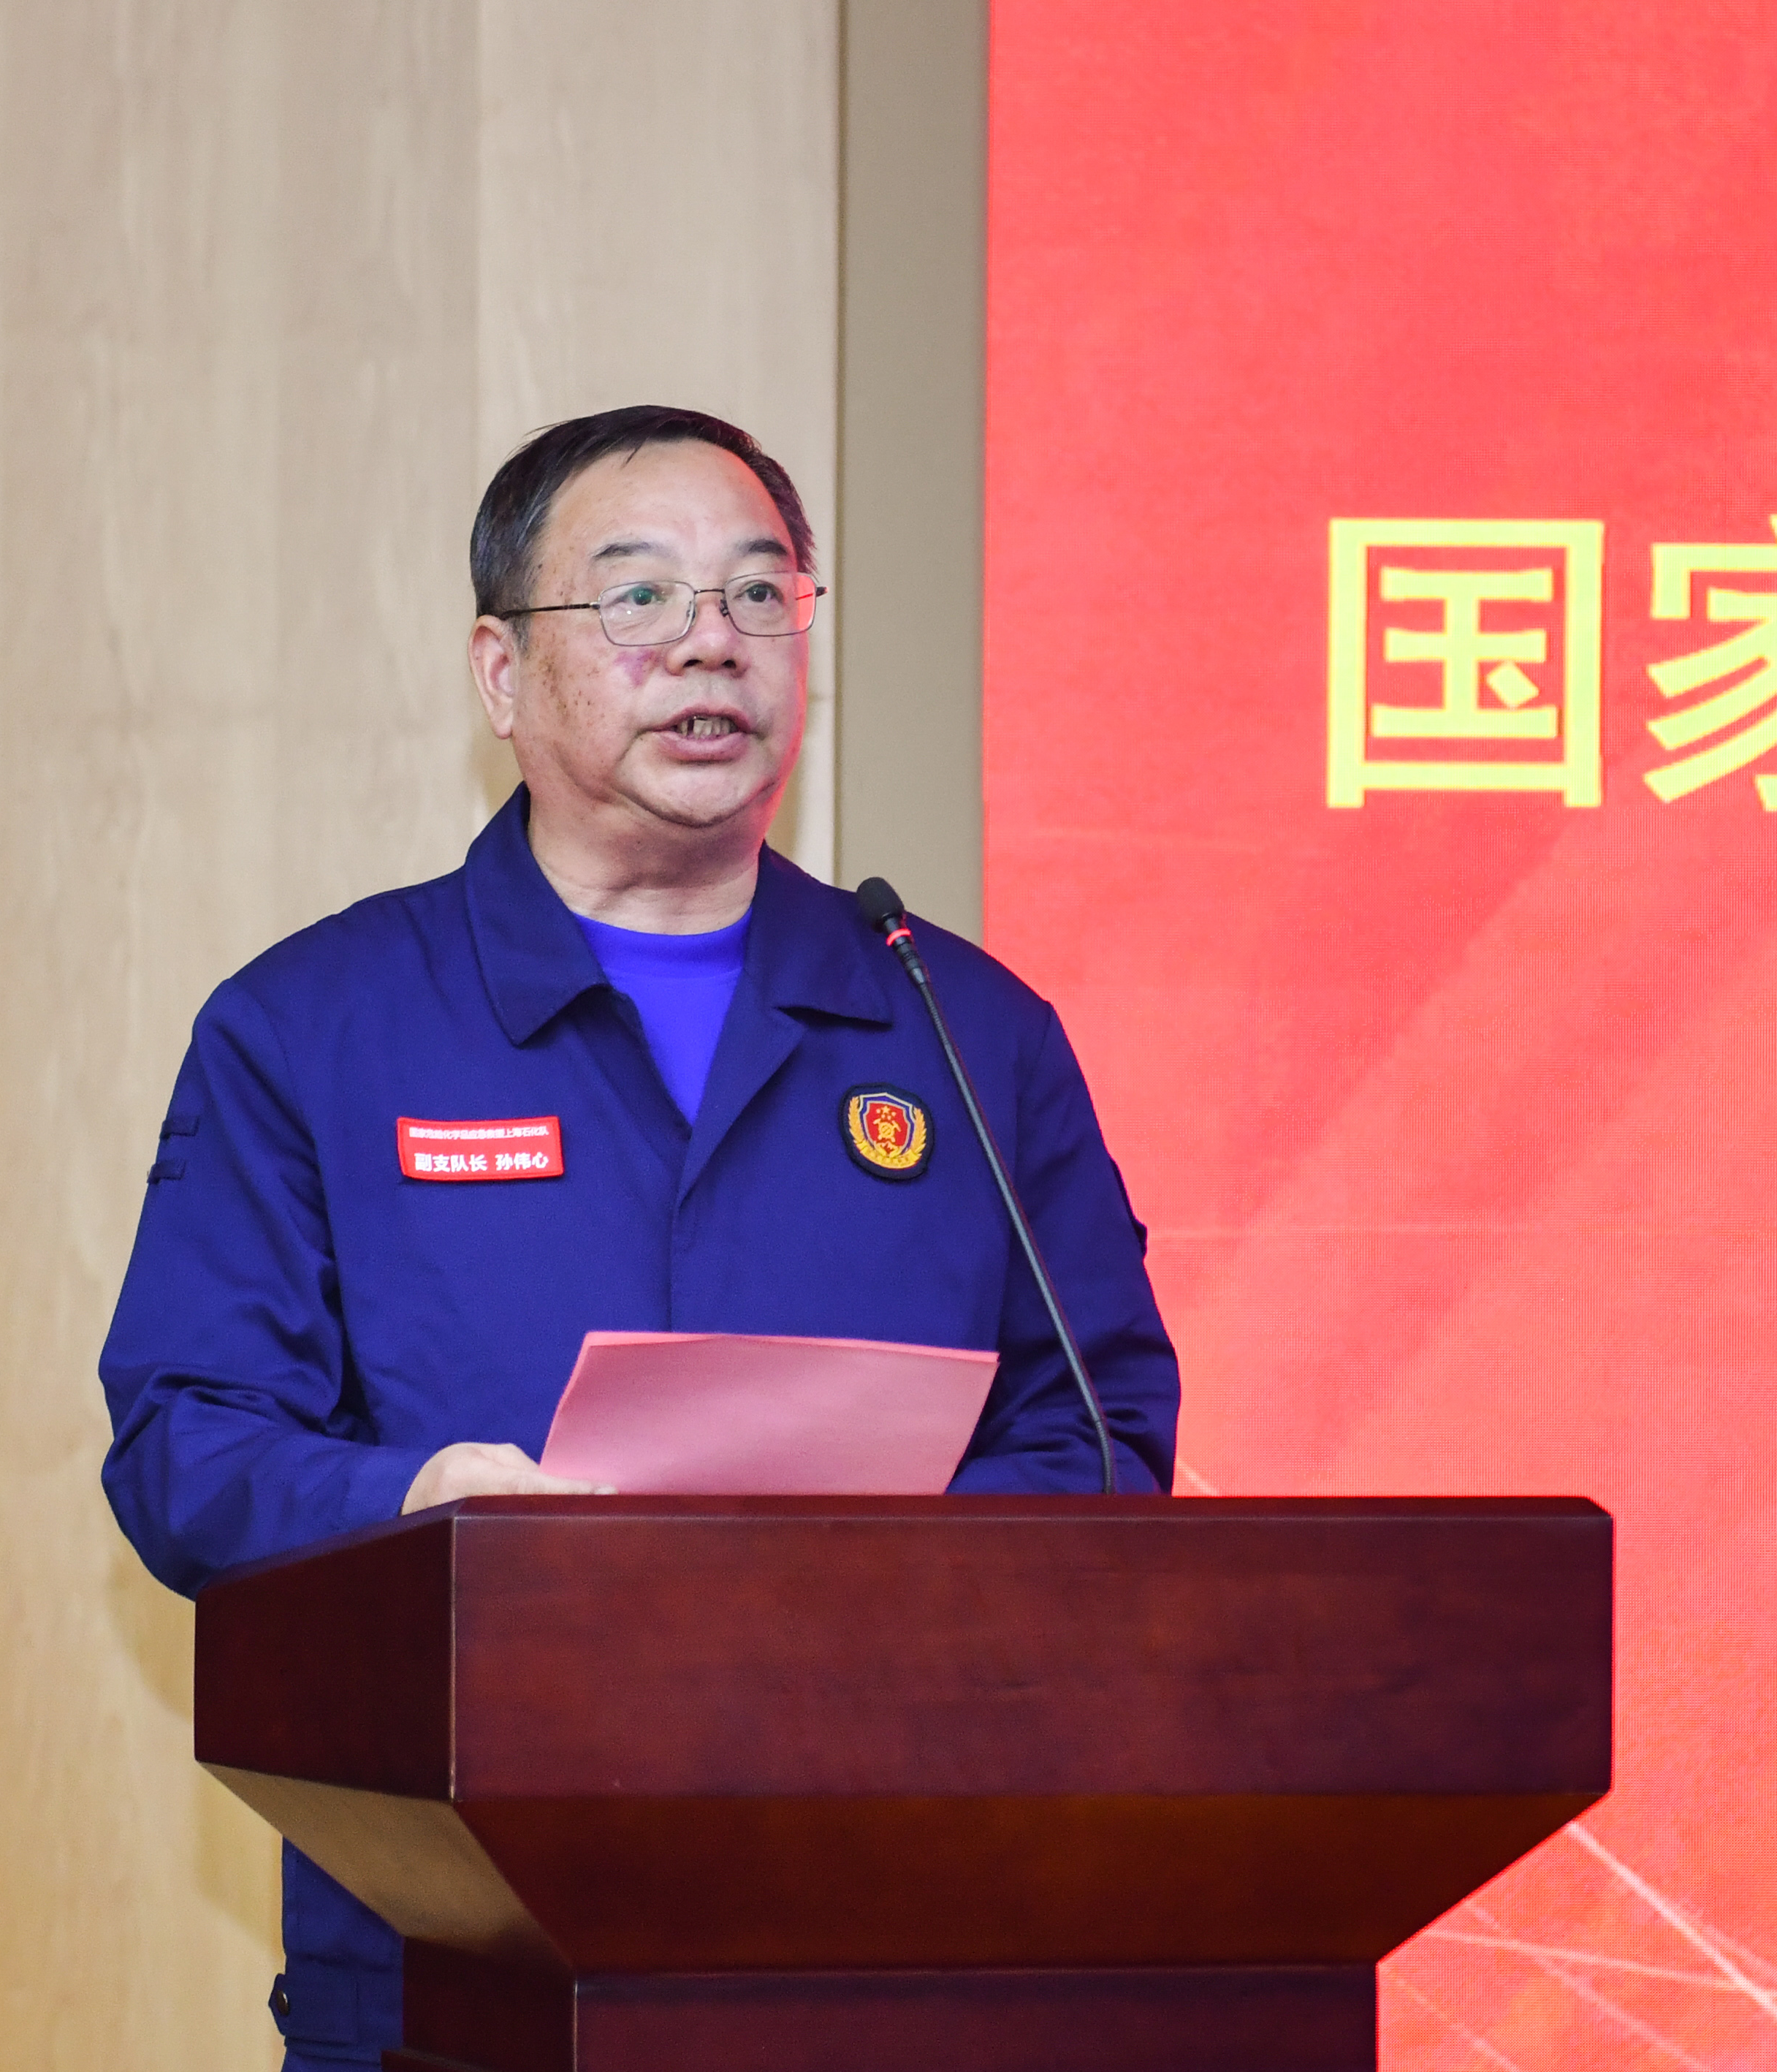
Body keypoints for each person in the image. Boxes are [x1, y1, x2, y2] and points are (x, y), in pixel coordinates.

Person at [98, 404, 1179, 2070]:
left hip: (888, 1934)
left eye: (759, 594)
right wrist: (419, 1507)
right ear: (500, 672)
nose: (711, 643)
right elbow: (187, 1445)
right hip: (458, 1946)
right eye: (638, 597)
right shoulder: (316, 1026)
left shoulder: (962, 1027)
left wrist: (890, 1569)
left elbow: (1101, 1436)